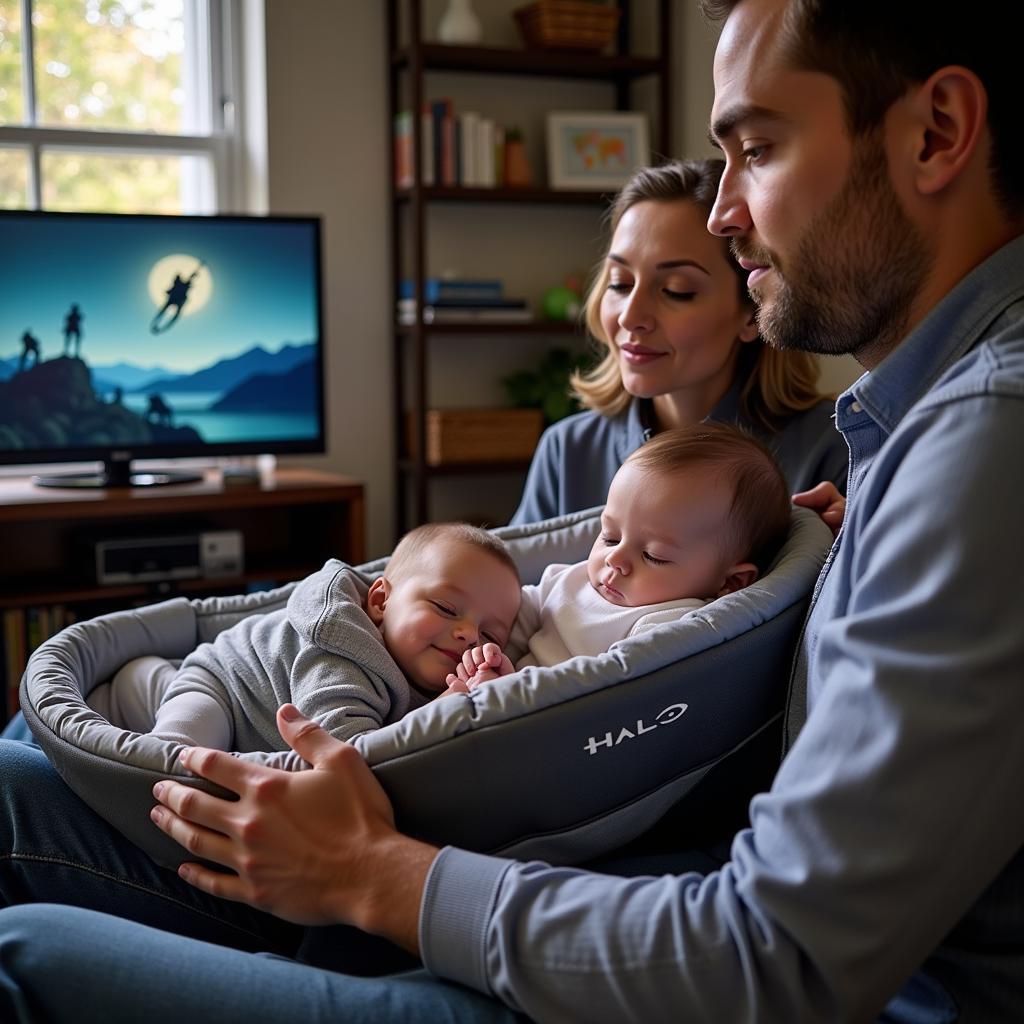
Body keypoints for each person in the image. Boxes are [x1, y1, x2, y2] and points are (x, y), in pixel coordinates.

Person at [1, 0, 1023, 1019]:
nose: (725, 213)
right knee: (17, 767)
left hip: (711, 941)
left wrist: (378, 873)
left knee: (32, 950)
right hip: (615, 866)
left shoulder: (978, 443)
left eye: (755, 148)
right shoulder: (900, 444)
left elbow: (774, 956)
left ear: (934, 133)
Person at [509, 156, 848, 526]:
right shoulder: (567, 451)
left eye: (676, 291)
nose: (629, 316)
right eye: (620, 284)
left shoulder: (831, 450)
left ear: (753, 311)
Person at [96, 523, 521, 760]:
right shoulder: (343, 649)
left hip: (261, 731)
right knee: (183, 756)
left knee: (159, 691)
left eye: (489, 634)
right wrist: (442, 714)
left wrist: (468, 701)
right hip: (226, 687)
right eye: (446, 608)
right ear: (379, 602)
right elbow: (345, 757)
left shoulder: (437, 678)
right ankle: (133, 685)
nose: (468, 633)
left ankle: (145, 681)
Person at [448, 423, 789, 690]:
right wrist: (486, 654)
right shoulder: (569, 579)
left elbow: (605, 688)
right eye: (610, 536)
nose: (615, 560)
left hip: (546, 724)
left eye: (653, 556)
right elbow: (509, 623)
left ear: (730, 581)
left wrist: (509, 688)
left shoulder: (669, 623)